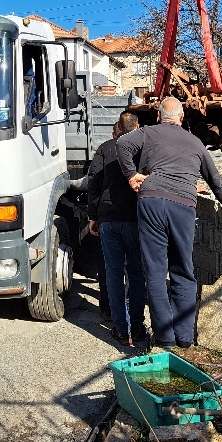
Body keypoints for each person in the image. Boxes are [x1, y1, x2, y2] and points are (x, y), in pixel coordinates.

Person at [117, 96, 222, 350]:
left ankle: (165, 339)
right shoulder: (195, 142)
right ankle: (184, 338)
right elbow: (215, 180)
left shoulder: (148, 133)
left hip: (151, 201)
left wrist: (131, 175)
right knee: (183, 271)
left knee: (155, 272)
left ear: (159, 116)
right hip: (183, 205)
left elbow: (122, 144)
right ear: (182, 118)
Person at [88, 111, 147, 346]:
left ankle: (121, 329)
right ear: (137, 126)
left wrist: (93, 216)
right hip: (135, 218)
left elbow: (94, 183)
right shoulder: (143, 148)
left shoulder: (105, 148)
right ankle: (137, 327)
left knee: (113, 273)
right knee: (136, 272)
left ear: (118, 128)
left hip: (109, 219)